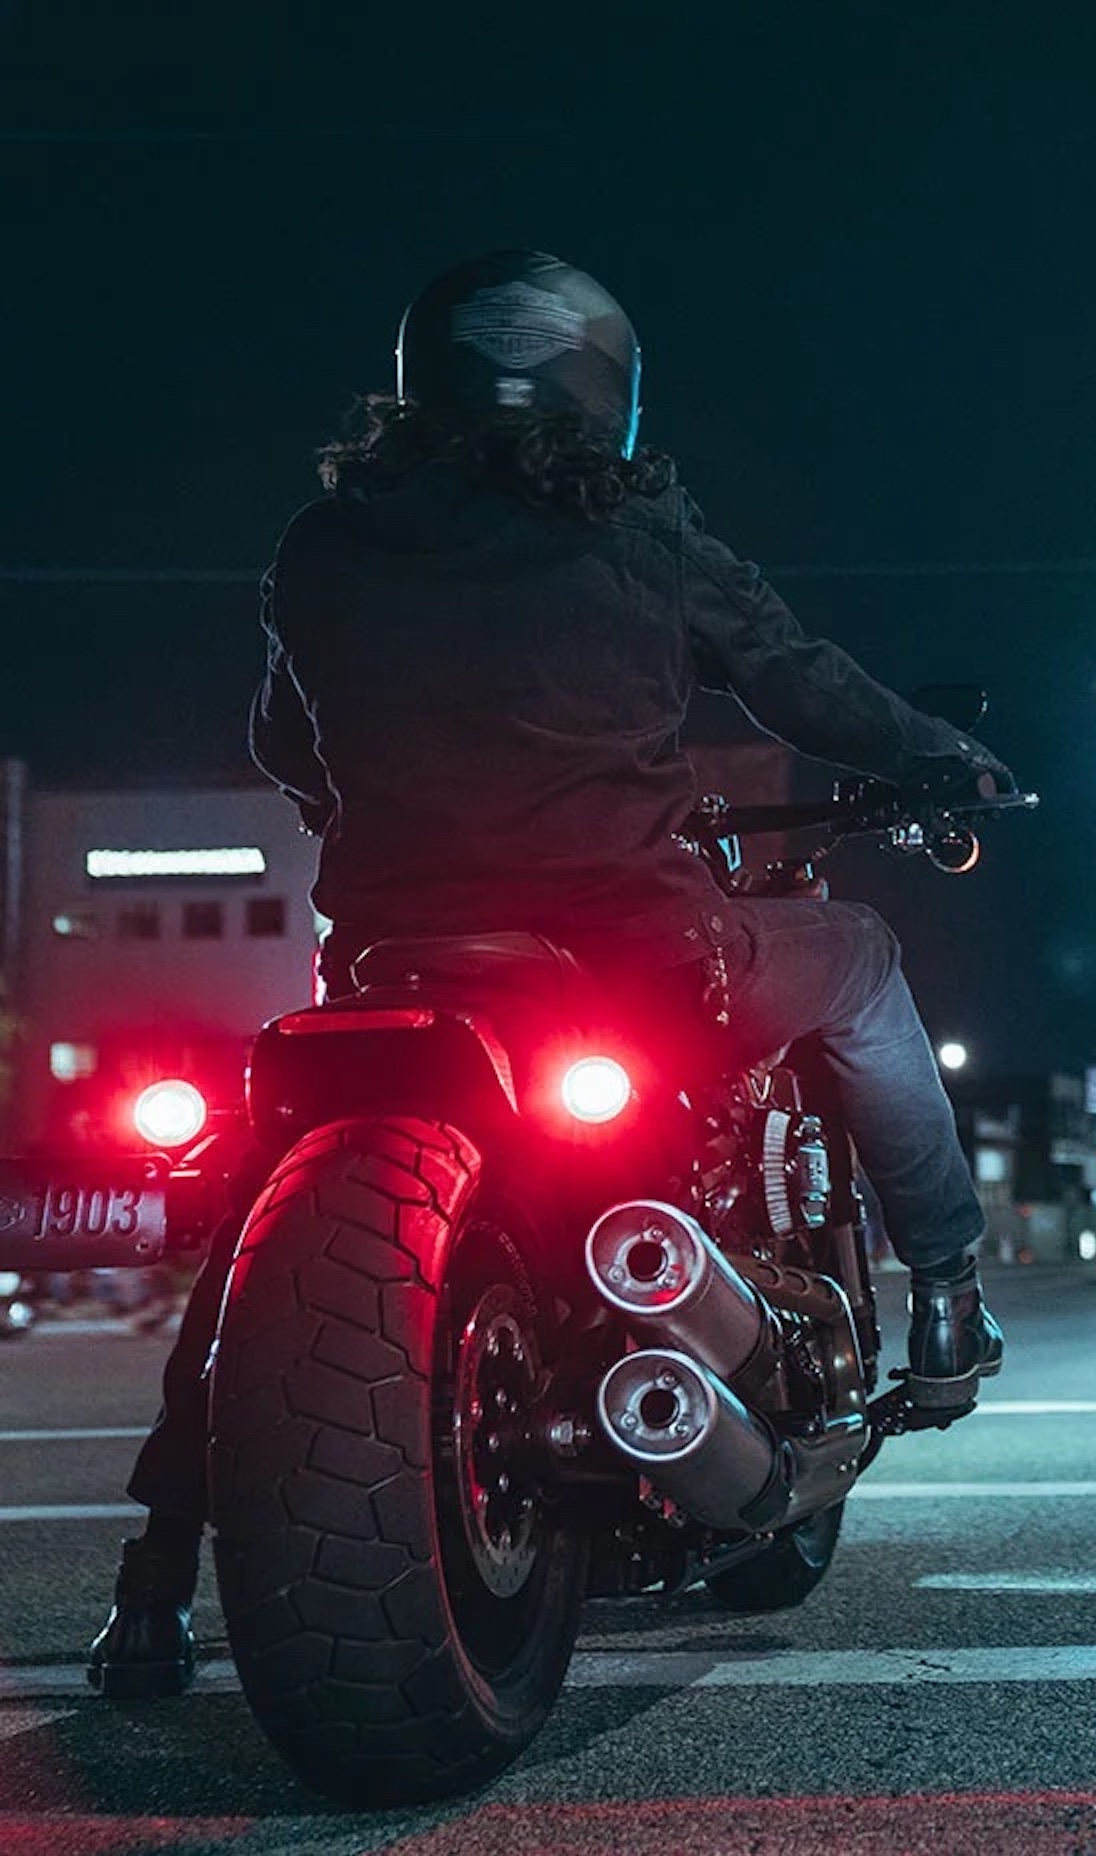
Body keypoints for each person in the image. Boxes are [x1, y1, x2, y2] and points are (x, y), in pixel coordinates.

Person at [87, 247, 1014, 1697]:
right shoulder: (645, 529)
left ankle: (152, 1583)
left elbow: (285, 743)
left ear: (419, 388)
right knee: (863, 959)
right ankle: (953, 1290)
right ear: (608, 392)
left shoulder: (325, 544)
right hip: (630, 952)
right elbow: (793, 674)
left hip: (400, 960)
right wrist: (934, 757)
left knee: (265, 1205)